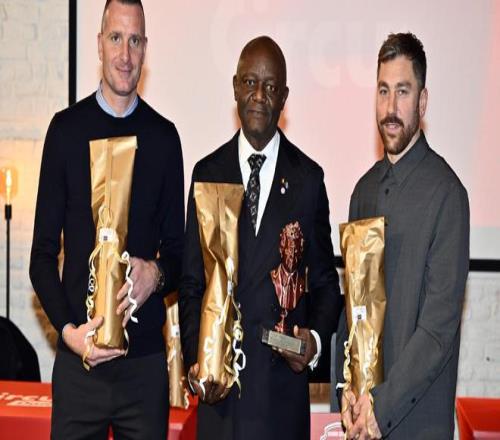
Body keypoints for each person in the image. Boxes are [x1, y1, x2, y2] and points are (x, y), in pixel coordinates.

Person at [29, 0, 184, 438]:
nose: (125, 55)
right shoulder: (65, 132)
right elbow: (41, 258)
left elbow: (179, 256)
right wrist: (69, 333)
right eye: (116, 38)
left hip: (144, 370)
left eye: (135, 41)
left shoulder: (164, 138)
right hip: (79, 370)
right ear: (99, 44)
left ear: (145, 48)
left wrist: (156, 273)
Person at [179, 36, 342, 440]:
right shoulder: (207, 173)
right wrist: (197, 358)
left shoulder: (308, 179)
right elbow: (192, 283)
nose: (258, 95)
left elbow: (326, 284)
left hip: (280, 401)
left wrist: (314, 342)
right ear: (235, 87)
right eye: (250, 82)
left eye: (270, 87)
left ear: (284, 97)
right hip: (221, 400)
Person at [335, 32, 469, 440]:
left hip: (418, 427)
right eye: (383, 91)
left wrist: (381, 406)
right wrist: (345, 389)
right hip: (361, 423)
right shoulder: (362, 192)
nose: (391, 108)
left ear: (422, 102)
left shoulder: (448, 195)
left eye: (403, 92)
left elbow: (437, 331)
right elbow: (352, 310)